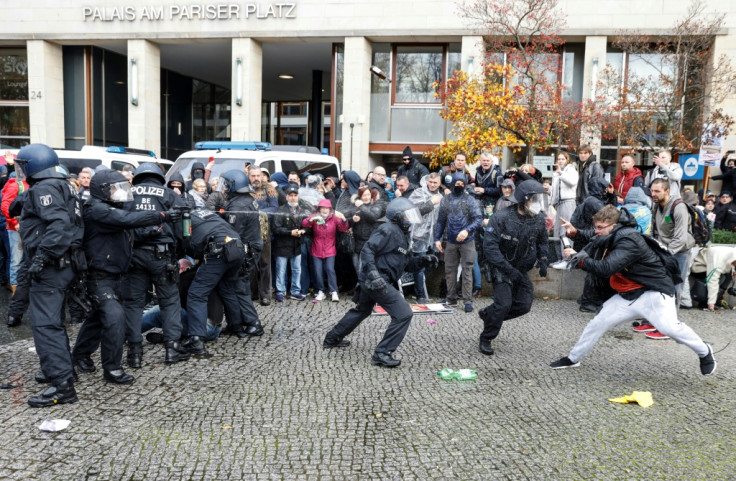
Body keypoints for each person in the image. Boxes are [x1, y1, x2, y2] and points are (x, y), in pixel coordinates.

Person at [549, 205, 716, 376]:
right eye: (596, 227)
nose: (596, 231)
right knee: (597, 324)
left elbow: (607, 268)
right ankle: (573, 358)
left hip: (654, 292)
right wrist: (575, 231)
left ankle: (705, 351)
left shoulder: (629, 240)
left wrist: (580, 260)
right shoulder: (611, 233)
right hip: (628, 294)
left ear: (613, 226)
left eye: (600, 227)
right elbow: (594, 237)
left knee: (670, 329)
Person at [72, 169, 173, 386]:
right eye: (116, 188)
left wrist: (153, 227)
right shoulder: (98, 210)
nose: (121, 193)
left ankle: (80, 354)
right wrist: (162, 214)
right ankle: (112, 368)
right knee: (115, 318)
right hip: (99, 277)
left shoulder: (110, 208)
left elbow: (130, 228)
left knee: (99, 318)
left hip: (116, 274)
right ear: (103, 191)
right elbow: (126, 219)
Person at [322, 197, 437, 367]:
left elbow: (405, 264)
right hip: (376, 279)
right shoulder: (387, 229)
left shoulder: (403, 235)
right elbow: (367, 251)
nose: (409, 220)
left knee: (362, 310)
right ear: (397, 216)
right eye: (406, 216)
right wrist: (374, 274)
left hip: (377, 280)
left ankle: (332, 338)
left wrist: (423, 261)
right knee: (404, 314)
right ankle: (382, 353)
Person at [14, 144, 84, 407]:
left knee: (45, 327)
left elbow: (58, 224)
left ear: (35, 164)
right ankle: (64, 373)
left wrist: (43, 256)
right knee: (54, 323)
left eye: (23, 165)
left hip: (51, 266)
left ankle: (62, 387)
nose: (20, 170)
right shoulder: (64, 184)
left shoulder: (45, 187)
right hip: (63, 264)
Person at [121, 163, 190, 368]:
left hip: (133, 255)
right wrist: (180, 252)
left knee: (133, 304)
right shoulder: (168, 194)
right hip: (162, 255)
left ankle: (134, 352)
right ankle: (171, 349)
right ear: (159, 177)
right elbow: (184, 225)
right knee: (169, 301)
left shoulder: (126, 193)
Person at [477, 180, 549, 355]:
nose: (537, 204)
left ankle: (489, 314)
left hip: (520, 268)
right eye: (534, 200)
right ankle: (486, 337)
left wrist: (544, 259)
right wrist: (509, 270)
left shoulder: (538, 218)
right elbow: (490, 248)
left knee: (524, 305)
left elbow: (543, 240)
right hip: (501, 267)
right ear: (523, 201)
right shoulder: (501, 218)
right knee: (503, 304)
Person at [181, 208, 249, 357]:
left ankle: (196, 340)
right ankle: (236, 327)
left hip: (218, 250)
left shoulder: (183, 218)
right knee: (227, 287)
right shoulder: (205, 212)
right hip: (236, 246)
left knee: (197, 293)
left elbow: (188, 243)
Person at [219, 169, 265, 337]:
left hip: (246, 250)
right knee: (234, 285)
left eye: (227, 185)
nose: (224, 188)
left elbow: (232, 232)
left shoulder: (238, 205)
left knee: (239, 286)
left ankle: (253, 323)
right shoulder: (244, 200)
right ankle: (235, 323)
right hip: (250, 248)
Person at [434, 172, 483, 312]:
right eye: (457, 183)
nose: (459, 185)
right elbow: (441, 221)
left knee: (467, 270)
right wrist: (437, 238)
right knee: (450, 270)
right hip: (450, 240)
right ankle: (451, 298)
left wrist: (467, 230)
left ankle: (468, 300)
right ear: (452, 183)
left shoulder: (470, 200)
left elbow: (478, 219)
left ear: (465, 184)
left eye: (462, 183)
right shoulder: (446, 200)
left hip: (467, 240)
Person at [302, 198, 348, 301]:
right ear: (319, 209)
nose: (324, 210)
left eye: (327, 208)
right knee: (318, 271)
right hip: (316, 248)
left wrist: (344, 219)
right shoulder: (315, 216)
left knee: (330, 269)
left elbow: (343, 228)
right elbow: (304, 224)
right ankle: (320, 291)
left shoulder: (334, 218)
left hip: (330, 249)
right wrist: (310, 220)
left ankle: (333, 291)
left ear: (330, 209)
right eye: (322, 208)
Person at [271, 183, 311, 302]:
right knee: (281, 270)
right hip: (282, 246)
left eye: (295, 195)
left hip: (296, 245)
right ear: (287, 197)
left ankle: (295, 291)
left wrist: (303, 230)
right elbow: (275, 228)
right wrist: (290, 232)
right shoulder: (280, 210)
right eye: (291, 195)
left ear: (298, 196)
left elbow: (308, 225)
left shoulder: (302, 210)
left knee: (297, 270)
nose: (293, 197)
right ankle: (280, 291)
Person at [408, 173, 444, 302]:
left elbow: (441, 219)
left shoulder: (441, 197)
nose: (433, 185)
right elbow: (412, 213)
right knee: (420, 265)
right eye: (431, 182)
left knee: (430, 264)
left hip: (433, 237)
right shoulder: (418, 193)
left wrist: (439, 237)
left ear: (439, 183)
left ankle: (417, 289)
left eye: (435, 182)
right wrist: (430, 203)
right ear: (427, 181)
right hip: (419, 235)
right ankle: (420, 295)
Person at [248, 167, 279, 305]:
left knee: (265, 264)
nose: (256, 178)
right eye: (253, 175)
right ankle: (252, 293)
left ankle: (265, 295)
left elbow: (274, 208)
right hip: (248, 232)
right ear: (248, 176)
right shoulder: (244, 189)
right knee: (250, 264)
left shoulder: (269, 189)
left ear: (262, 176)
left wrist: (257, 212)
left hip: (264, 232)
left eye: (258, 175)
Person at [549, 152, 578, 265]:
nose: (560, 161)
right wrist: (549, 190)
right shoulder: (557, 172)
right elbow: (557, 190)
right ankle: (560, 258)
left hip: (568, 202)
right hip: (559, 204)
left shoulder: (570, 170)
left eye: (563, 159)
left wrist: (560, 173)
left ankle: (568, 259)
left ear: (567, 160)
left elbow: (572, 182)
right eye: (558, 159)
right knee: (557, 232)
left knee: (565, 231)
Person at [349, 186, 385, 274]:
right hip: (357, 242)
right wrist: (352, 220)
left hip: (370, 241)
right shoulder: (354, 206)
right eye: (364, 195)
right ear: (360, 196)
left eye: (368, 195)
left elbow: (373, 216)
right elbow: (347, 220)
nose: (367, 197)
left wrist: (361, 206)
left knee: (370, 268)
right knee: (358, 270)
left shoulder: (376, 204)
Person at [690, 246, 736, 311]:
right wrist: (711, 302)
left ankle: (717, 298)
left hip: (710, 265)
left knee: (729, 276)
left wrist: (733, 271)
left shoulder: (732, 255)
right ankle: (705, 302)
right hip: (698, 266)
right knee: (721, 277)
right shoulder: (719, 260)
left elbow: (730, 264)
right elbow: (712, 280)